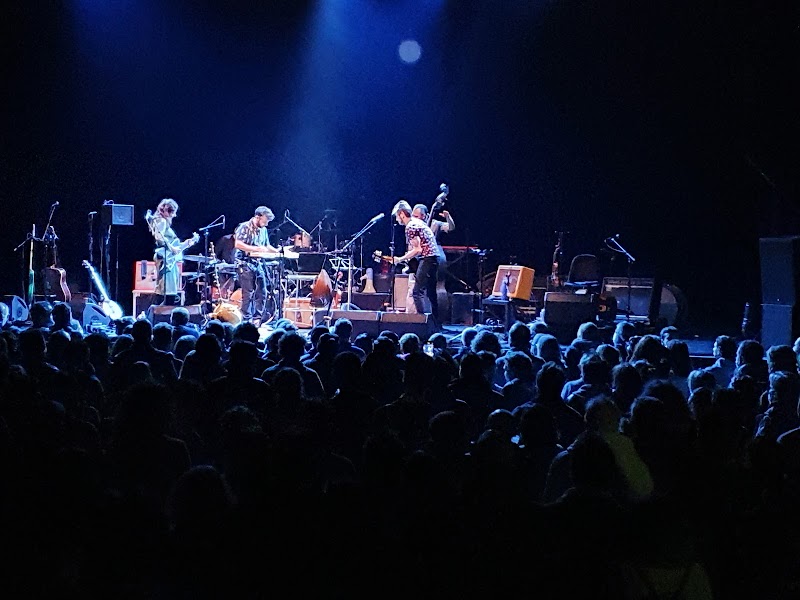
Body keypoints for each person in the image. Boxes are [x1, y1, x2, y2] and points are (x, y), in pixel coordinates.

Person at [391, 199, 442, 324]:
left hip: (427, 258)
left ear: (402, 214)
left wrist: (400, 259)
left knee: (416, 292)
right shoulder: (417, 222)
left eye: (397, 216)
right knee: (431, 292)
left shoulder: (410, 226)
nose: (397, 220)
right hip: (434, 257)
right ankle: (436, 323)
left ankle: (422, 323)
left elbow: (418, 249)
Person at [146, 198, 198, 305]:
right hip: (165, 259)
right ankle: (158, 314)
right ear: (165, 211)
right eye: (172, 212)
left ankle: (159, 314)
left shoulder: (163, 222)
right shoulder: (161, 221)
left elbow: (175, 248)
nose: (174, 215)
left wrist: (188, 243)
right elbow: (159, 238)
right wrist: (172, 248)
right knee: (167, 291)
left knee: (167, 290)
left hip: (169, 259)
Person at [234, 206, 279, 327]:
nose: (266, 223)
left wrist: (278, 252)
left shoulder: (263, 230)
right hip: (244, 263)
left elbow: (266, 246)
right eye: (265, 220)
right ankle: (246, 320)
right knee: (248, 293)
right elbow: (238, 244)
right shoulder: (244, 226)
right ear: (257, 217)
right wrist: (256, 248)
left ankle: (257, 319)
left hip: (257, 263)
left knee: (262, 291)